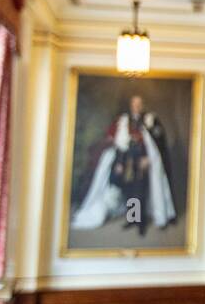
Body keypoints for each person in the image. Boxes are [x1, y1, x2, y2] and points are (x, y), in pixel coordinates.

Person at [71, 95, 175, 236]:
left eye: (139, 104)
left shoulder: (149, 119)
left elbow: (155, 141)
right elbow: (116, 141)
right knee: (131, 190)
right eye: (134, 104)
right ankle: (133, 218)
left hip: (143, 159)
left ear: (142, 105)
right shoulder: (123, 120)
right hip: (128, 160)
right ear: (131, 105)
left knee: (141, 190)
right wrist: (119, 161)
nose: (137, 106)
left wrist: (148, 158)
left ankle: (141, 223)